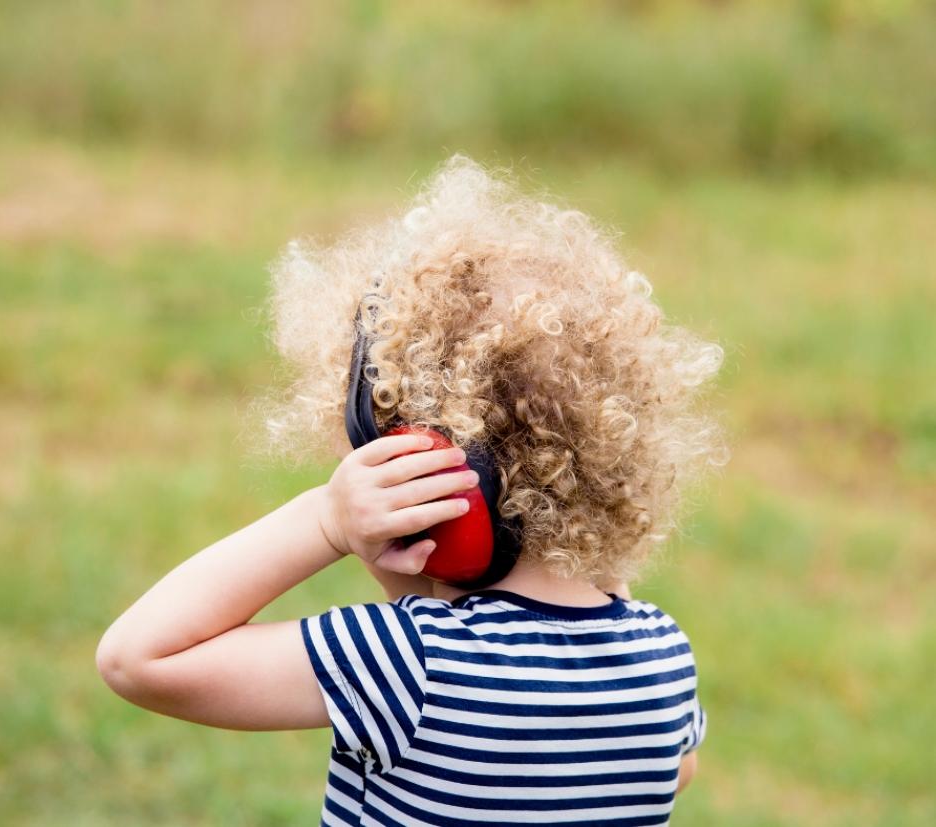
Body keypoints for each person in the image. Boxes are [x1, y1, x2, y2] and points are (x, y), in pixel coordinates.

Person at [96, 156, 728, 825]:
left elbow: (139, 658)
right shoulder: (661, 658)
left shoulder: (409, 663)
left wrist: (327, 521)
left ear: (420, 462)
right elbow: (674, 770)